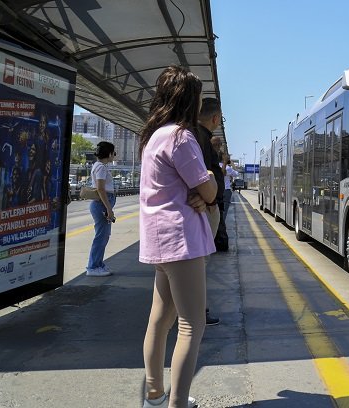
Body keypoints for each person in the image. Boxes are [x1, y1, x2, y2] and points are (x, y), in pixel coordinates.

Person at [139, 65, 217, 408]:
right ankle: (179, 403)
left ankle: (155, 394)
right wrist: (210, 178)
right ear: (189, 99)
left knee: (160, 319)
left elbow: (188, 188)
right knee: (191, 325)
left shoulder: (154, 136)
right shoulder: (181, 137)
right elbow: (209, 190)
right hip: (182, 241)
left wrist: (200, 190)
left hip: (160, 241)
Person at [195, 97, 225, 326]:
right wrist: (209, 200)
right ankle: (197, 312)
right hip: (206, 207)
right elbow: (204, 175)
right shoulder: (200, 138)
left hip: (206, 205)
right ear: (215, 118)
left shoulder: (195, 136)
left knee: (199, 262)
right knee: (200, 262)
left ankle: (195, 310)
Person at [86, 141, 116, 277]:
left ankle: (98, 264)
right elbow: (101, 189)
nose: (114, 156)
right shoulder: (101, 168)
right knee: (100, 237)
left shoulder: (99, 166)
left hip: (102, 204)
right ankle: (92, 267)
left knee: (104, 236)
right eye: (113, 153)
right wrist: (109, 209)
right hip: (101, 205)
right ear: (109, 154)